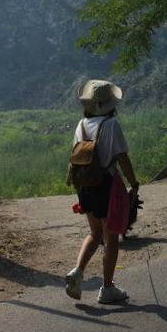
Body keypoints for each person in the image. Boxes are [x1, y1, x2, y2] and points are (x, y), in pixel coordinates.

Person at [64, 79, 140, 304]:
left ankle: (77, 271)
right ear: (110, 104)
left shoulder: (81, 125)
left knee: (95, 233)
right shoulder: (111, 125)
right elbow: (121, 157)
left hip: (85, 185)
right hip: (107, 184)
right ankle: (107, 288)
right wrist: (134, 183)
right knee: (111, 236)